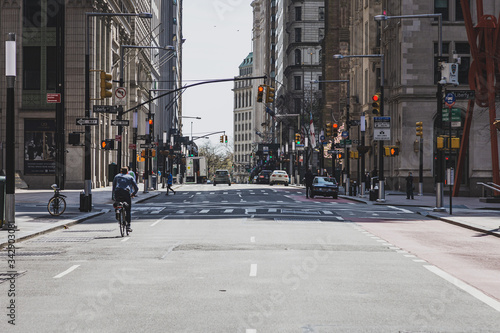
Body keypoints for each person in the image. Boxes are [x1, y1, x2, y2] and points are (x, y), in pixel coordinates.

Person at [112, 167, 139, 232]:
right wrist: (133, 193)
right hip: (126, 193)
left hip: (117, 192)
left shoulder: (117, 176)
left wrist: (113, 196)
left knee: (117, 203)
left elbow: (114, 186)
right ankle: (128, 226)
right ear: (127, 172)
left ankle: (117, 212)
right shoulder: (130, 177)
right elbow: (136, 188)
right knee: (128, 209)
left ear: (121, 171)